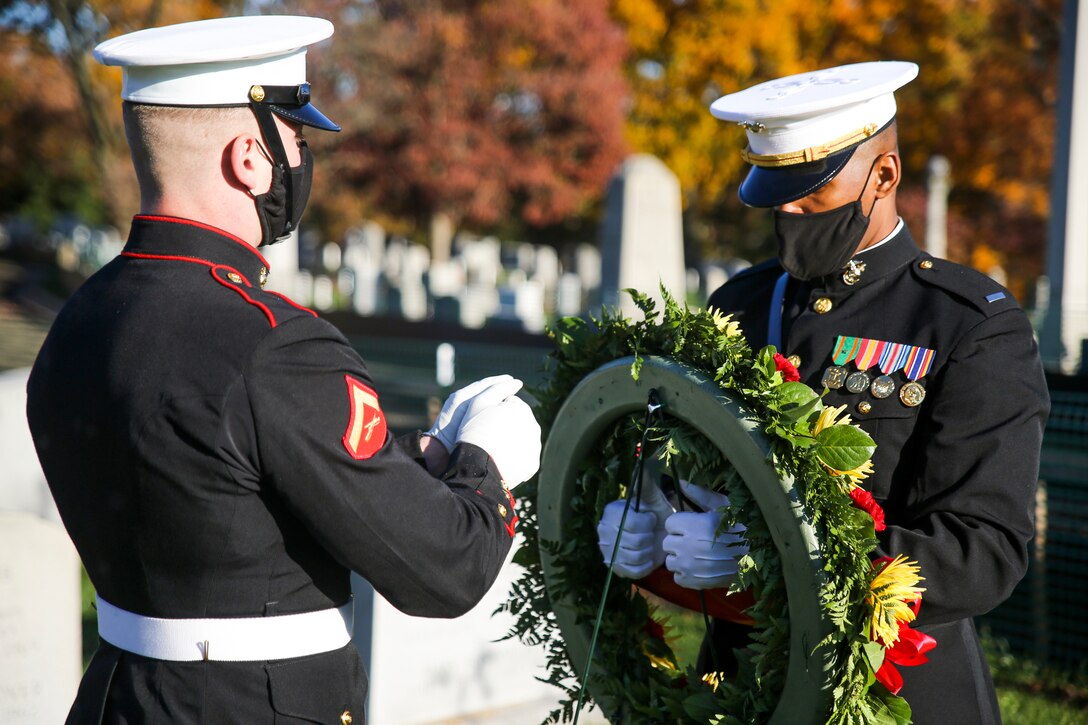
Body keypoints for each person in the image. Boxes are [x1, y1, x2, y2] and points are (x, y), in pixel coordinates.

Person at [27, 15, 541, 724]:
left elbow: (233, 477)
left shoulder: (78, 320)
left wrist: (424, 459)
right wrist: (488, 462)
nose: (300, 158)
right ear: (248, 157)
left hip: (118, 697)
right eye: (294, 138)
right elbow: (443, 571)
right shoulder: (273, 345)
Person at [598, 61, 1048, 724]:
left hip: (896, 688)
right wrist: (646, 513)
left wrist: (779, 555)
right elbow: (690, 457)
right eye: (776, 190)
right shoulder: (744, 303)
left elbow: (983, 553)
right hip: (740, 678)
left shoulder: (967, 325)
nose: (786, 212)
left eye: (811, 192)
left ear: (884, 176)